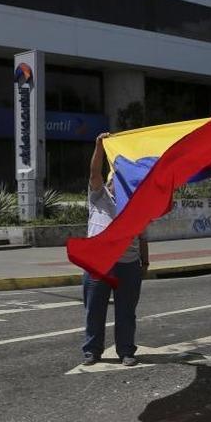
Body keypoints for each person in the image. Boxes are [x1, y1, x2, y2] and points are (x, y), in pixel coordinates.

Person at [81, 132, 149, 367]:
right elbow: (94, 173)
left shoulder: (136, 205)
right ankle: (92, 350)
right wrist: (99, 145)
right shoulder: (99, 196)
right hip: (98, 264)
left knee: (126, 311)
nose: (116, 185)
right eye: (114, 181)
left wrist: (145, 263)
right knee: (94, 310)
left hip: (129, 265)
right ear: (109, 182)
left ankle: (126, 351)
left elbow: (142, 237)